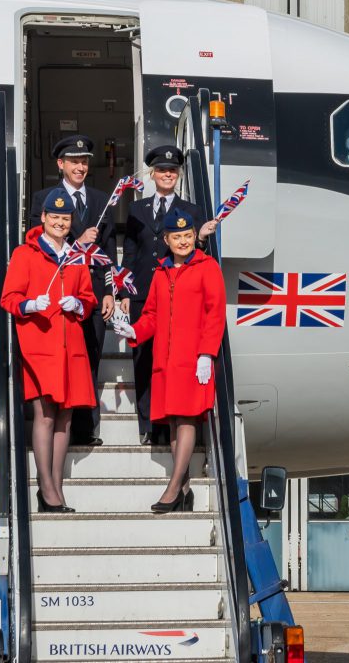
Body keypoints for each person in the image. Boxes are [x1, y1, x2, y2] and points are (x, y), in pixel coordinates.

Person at [114, 209, 225, 513]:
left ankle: (173, 488)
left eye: (188, 236)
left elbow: (216, 313)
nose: (184, 241)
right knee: (175, 423)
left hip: (193, 360)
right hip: (166, 360)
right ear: (166, 239)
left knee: (187, 419)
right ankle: (185, 490)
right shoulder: (161, 273)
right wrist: (134, 329)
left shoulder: (207, 267)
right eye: (177, 237)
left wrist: (206, 353)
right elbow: (151, 314)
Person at [3, 188, 96, 513]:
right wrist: (29, 304)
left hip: (70, 346)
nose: (59, 222)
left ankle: (55, 488)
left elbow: (88, 298)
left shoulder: (76, 257)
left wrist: (80, 304)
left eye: (65, 218)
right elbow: (9, 298)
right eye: (54, 216)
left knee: (66, 419)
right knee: (44, 416)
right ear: (43, 218)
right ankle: (46, 488)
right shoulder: (25, 254)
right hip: (39, 346)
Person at [119, 145, 217, 445]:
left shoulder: (191, 211)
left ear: (178, 175)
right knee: (144, 360)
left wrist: (199, 238)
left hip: (176, 295)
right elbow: (131, 251)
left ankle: (167, 425)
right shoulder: (137, 209)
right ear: (153, 174)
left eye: (172, 171)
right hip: (143, 294)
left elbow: (192, 252)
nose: (167, 175)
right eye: (162, 170)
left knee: (171, 363)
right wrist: (125, 289)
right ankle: (148, 423)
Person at [29, 135, 116, 448]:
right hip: (58, 290)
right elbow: (34, 240)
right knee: (59, 362)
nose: (80, 167)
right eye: (74, 161)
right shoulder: (43, 198)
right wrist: (77, 245)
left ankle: (85, 429)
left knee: (88, 360)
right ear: (60, 164)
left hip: (90, 290)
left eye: (84, 161)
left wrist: (109, 290)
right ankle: (56, 426)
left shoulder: (99, 198)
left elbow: (108, 250)